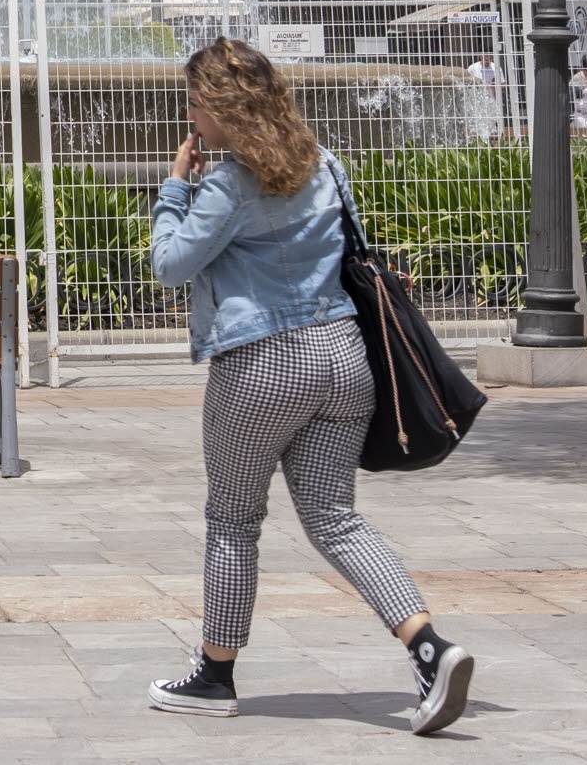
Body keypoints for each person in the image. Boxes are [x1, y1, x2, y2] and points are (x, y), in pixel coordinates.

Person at [146, 37, 473, 736]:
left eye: (197, 103)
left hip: (262, 366)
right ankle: (429, 647)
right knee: (336, 519)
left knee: (233, 518)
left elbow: (170, 264)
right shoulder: (326, 164)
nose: (190, 115)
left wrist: (176, 186)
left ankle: (214, 674)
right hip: (343, 362)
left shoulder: (230, 185)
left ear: (226, 109)